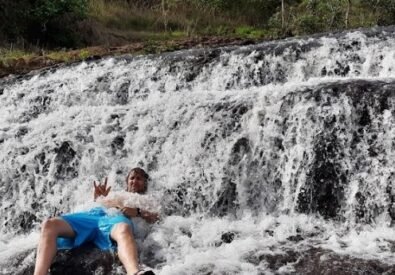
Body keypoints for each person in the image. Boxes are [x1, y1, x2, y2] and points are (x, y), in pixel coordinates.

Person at [33, 167, 159, 275]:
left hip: (115, 219)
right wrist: (98, 198)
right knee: (49, 224)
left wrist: (137, 212)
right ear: (127, 181)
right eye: (132, 178)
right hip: (92, 215)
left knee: (124, 229)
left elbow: (157, 218)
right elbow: (95, 205)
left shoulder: (147, 199)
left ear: (145, 183)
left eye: (139, 178)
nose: (134, 181)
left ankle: (134, 272)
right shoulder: (115, 194)